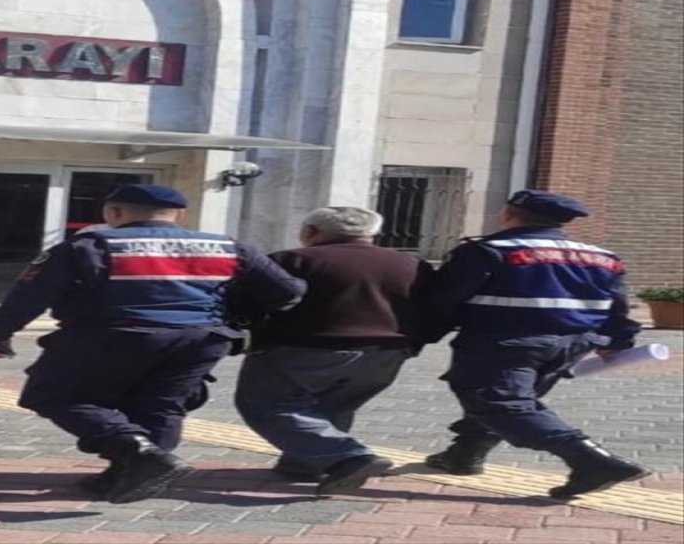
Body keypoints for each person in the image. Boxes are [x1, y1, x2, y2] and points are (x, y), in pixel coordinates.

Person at [0, 184, 306, 504]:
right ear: (179, 214)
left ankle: (138, 453)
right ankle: (132, 474)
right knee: (161, 405)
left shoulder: (91, 245)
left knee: (53, 394)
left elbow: (31, 294)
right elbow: (288, 291)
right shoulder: (228, 246)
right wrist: (229, 315)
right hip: (202, 339)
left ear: (114, 211)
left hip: (112, 335)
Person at [425, 189, 648, 497]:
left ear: (510, 214)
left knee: (501, 403)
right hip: (572, 345)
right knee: (513, 402)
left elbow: (444, 299)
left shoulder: (488, 250)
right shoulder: (603, 257)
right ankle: (464, 455)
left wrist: (422, 334)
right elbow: (618, 305)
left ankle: (592, 461)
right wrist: (619, 341)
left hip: (504, 342)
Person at [232, 207, 433, 496]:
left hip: (305, 347)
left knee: (267, 405)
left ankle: (348, 457)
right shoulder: (410, 263)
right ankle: (305, 463)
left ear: (310, 232)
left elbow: (254, 299)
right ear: (372, 233)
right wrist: (416, 342)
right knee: (333, 406)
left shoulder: (293, 259)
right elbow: (434, 307)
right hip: (388, 348)